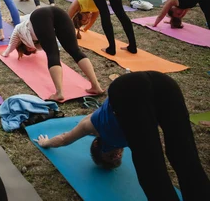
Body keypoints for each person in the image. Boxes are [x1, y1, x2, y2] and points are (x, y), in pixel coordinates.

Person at [34, 71, 210, 201]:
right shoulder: (131, 135)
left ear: (97, 146)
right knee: (184, 155)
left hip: (127, 89)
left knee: (151, 170)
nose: (115, 156)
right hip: (164, 84)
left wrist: (46, 142)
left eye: (109, 157)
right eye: (116, 159)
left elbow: (65, 138)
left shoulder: (92, 127)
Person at [0, 6, 104, 102]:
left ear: (22, 45)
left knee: (54, 54)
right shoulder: (36, 40)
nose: (30, 50)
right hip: (58, 13)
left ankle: (59, 93)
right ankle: (96, 87)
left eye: (27, 49)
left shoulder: (18, 29)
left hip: (39, 15)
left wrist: (4, 53)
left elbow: (11, 45)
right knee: (74, 51)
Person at [68, 0, 137, 55]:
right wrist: (84, 29)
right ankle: (132, 47)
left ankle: (111, 49)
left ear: (79, 15)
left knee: (108, 13)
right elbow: (90, 23)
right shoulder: (94, 11)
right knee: (118, 12)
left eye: (85, 19)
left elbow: (66, 20)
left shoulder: (78, 4)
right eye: (87, 21)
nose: (88, 18)